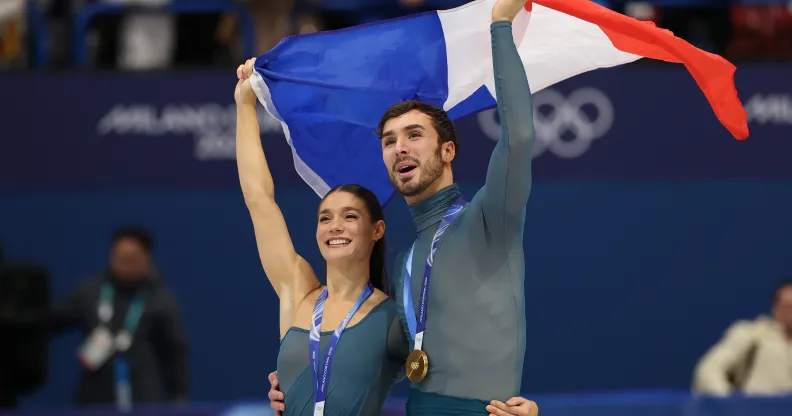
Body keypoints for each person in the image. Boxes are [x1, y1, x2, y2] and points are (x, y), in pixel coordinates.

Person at [266, 0, 539, 414]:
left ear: (447, 150)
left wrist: (500, 25)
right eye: (389, 140)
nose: (399, 148)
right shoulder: (406, 262)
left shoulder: (488, 219)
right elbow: (367, 358)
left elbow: (518, 136)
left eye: (414, 135)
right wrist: (292, 378)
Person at [236, 66, 407, 415]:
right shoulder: (297, 290)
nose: (334, 227)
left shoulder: (392, 318)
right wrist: (244, 105)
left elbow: (447, 376)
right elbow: (259, 199)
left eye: (349, 216)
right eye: (325, 218)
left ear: (377, 230)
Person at [51, 226, 189, 406]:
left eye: (131, 259)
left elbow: (175, 352)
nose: (125, 265)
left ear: (146, 259)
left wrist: (179, 395)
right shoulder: (90, 292)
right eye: (120, 258)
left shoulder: (161, 299)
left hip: (144, 397)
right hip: (95, 397)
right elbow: (54, 321)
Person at [693, 278, 792, 396]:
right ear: (775, 307)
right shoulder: (752, 335)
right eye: (787, 306)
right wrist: (729, 402)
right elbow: (709, 369)